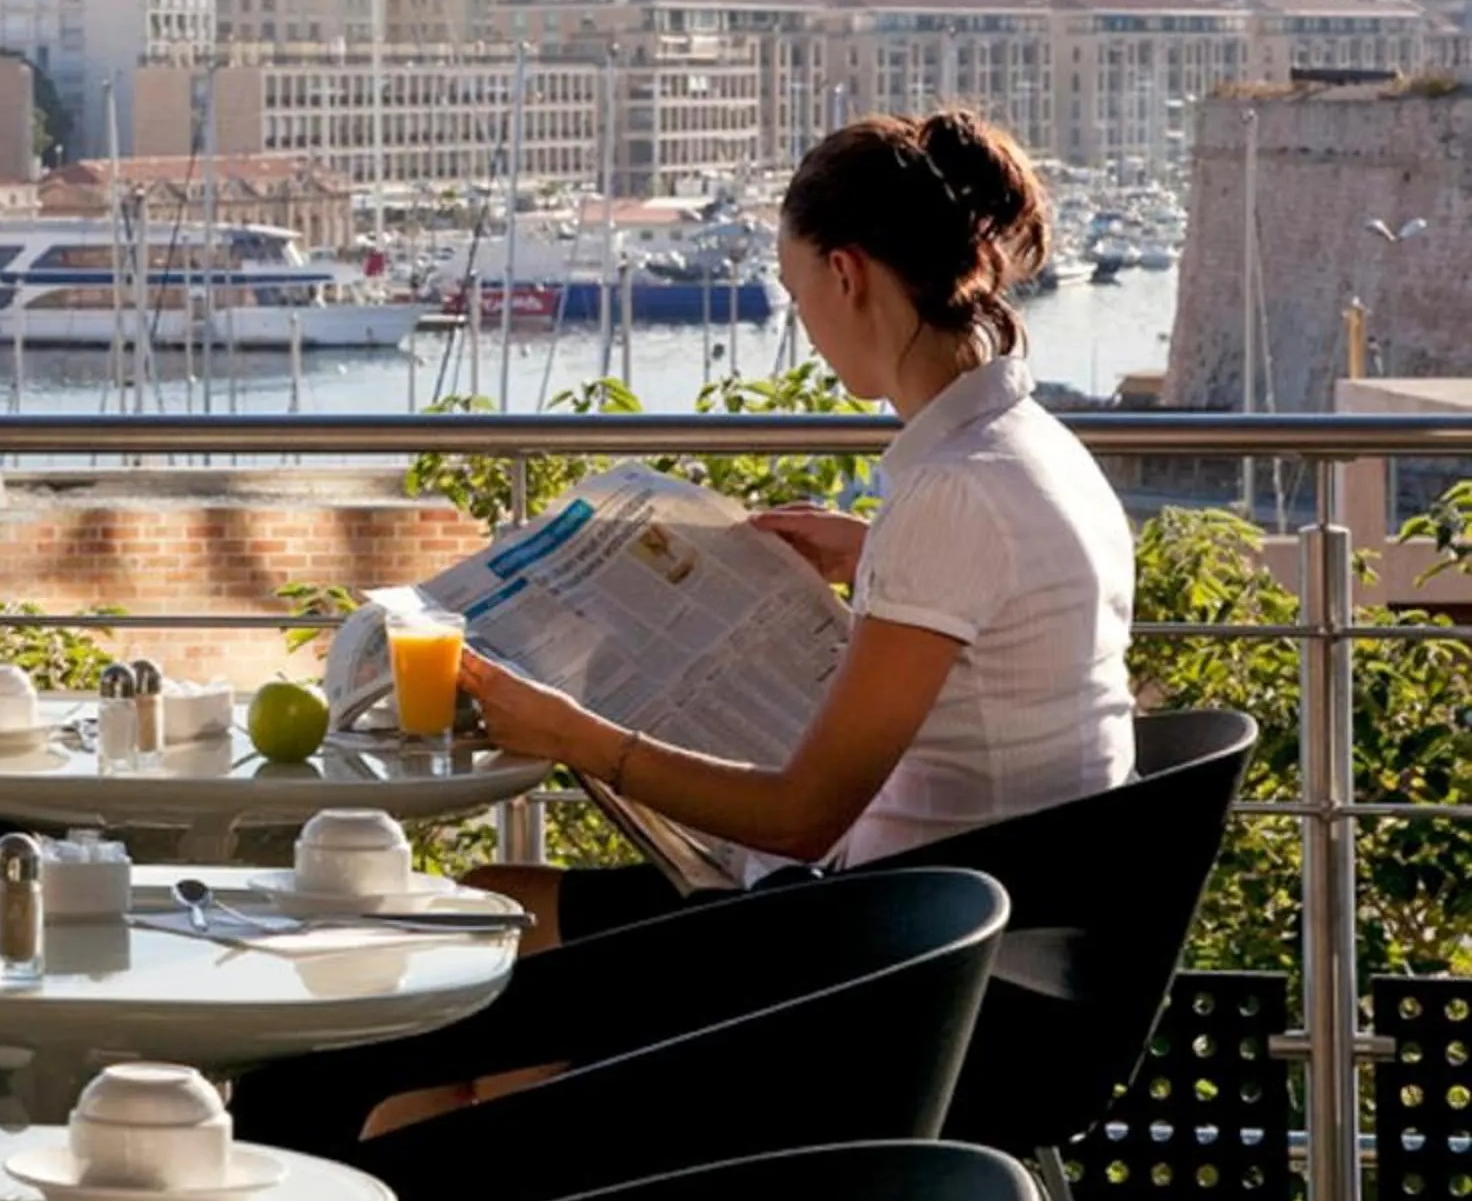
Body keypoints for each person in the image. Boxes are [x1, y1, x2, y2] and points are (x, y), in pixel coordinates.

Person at [464, 108, 1136, 948]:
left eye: (795, 292)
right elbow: (997, 609)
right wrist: (870, 553)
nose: (803, 326)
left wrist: (575, 736)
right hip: (998, 916)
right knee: (495, 976)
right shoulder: (1030, 447)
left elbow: (802, 816)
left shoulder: (949, 496)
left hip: (901, 950)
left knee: (480, 919)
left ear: (845, 274)